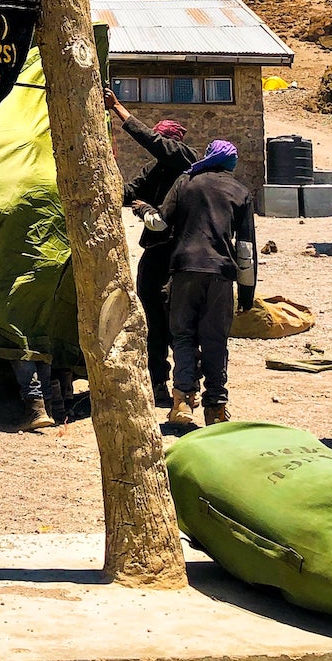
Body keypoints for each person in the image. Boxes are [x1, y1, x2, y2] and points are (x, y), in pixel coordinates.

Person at [104, 88, 197, 407]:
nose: (157, 148)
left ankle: (185, 387)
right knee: (152, 321)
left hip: (180, 253)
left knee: (179, 322)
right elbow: (130, 192)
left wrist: (119, 110)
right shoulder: (156, 169)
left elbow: (153, 142)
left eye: (162, 142)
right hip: (156, 251)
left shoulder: (187, 161)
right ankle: (158, 383)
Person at [158, 139, 256, 429]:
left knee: (184, 335)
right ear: (230, 164)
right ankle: (216, 407)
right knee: (215, 340)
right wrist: (247, 292)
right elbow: (246, 247)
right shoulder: (240, 191)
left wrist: (142, 210)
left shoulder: (186, 182)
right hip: (221, 273)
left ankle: (183, 401)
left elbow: (163, 221)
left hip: (185, 268)